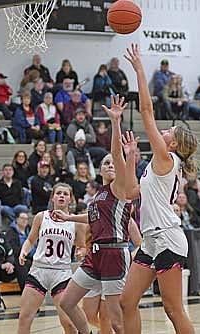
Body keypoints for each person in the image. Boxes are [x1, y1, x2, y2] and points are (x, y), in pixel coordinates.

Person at [120, 44, 196, 334]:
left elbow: (146, 110)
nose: (163, 131)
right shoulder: (155, 165)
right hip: (151, 239)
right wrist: (129, 158)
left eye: (168, 133)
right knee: (128, 302)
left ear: (173, 144)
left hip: (167, 237)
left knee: (173, 309)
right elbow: (130, 193)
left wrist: (139, 68)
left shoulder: (167, 157)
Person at [58, 95, 142, 334]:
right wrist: (69, 218)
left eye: (112, 163)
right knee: (67, 303)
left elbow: (116, 153)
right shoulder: (99, 194)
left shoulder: (119, 188)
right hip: (95, 254)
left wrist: (115, 122)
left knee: (116, 321)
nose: (110, 165)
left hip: (114, 253)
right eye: (105, 163)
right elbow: (93, 218)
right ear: (100, 169)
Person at [16, 183, 82, 334]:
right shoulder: (41, 216)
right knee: (24, 318)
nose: (61, 196)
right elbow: (31, 240)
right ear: (53, 197)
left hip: (62, 273)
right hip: (39, 270)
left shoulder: (76, 222)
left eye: (65, 194)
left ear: (70, 199)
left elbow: (81, 246)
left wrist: (80, 251)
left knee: (69, 324)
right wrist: (24, 251)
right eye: (58, 193)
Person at [5, 212, 33, 293]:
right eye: (22, 218)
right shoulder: (11, 232)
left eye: (26, 219)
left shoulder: (30, 230)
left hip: (30, 256)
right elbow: (12, 249)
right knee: (22, 264)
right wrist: (25, 253)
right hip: (16, 258)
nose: (24, 221)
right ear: (17, 219)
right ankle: (25, 292)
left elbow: (35, 244)